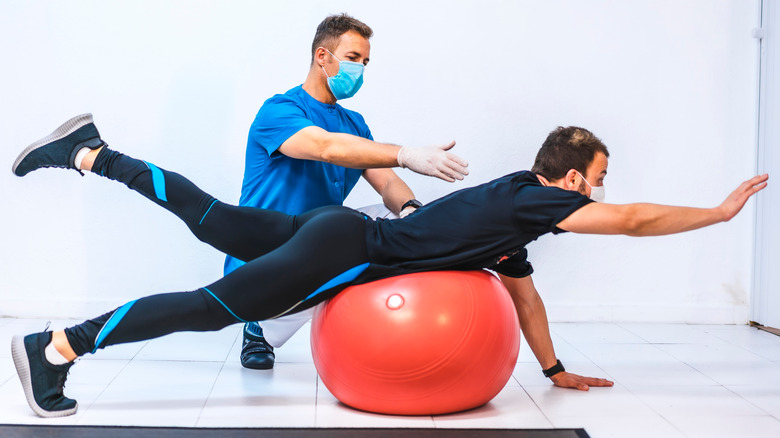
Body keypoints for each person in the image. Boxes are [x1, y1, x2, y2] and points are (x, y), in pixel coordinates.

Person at [10, 114, 768, 418]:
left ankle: (87, 150)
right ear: (569, 180)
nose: (601, 192)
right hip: (346, 249)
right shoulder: (538, 200)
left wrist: (553, 366)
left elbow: (525, 298)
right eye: (596, 179)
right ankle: (58, 347)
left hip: (337, 226)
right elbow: (632, 222)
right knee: (216, 306)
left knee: (212, 218)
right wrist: (717, 213)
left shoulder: (512, 207)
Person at [230, 13, 468, 369]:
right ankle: (258, 329)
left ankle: (396, 322)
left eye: (365, 62)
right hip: (267, 254)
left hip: (318, 242)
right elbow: (326, 148)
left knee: (397, 221)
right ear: (322, 56)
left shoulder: (353, 124)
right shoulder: (279, 110)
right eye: (353, 58)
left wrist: (413, 213)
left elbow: (385, 180)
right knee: (326, 255)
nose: (360, 69)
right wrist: (406, 154)